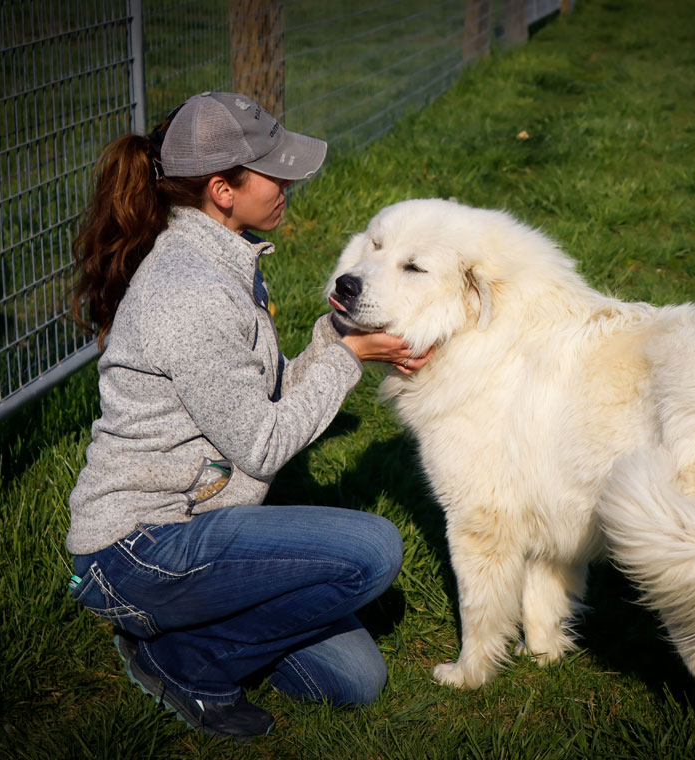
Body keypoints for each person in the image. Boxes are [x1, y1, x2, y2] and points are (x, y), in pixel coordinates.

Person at [65, 92, 427, 741]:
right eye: (273, 172)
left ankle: (184, 629)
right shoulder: (190, 291)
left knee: (354, 679)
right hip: (138, 550)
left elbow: (263, 394)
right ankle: (182, 660)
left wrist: (337, 338)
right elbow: (262, 443)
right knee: (375, 550)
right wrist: (349, 357)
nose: (288, 184)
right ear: (222, 190)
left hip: (200, 528)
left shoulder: (224, 257)